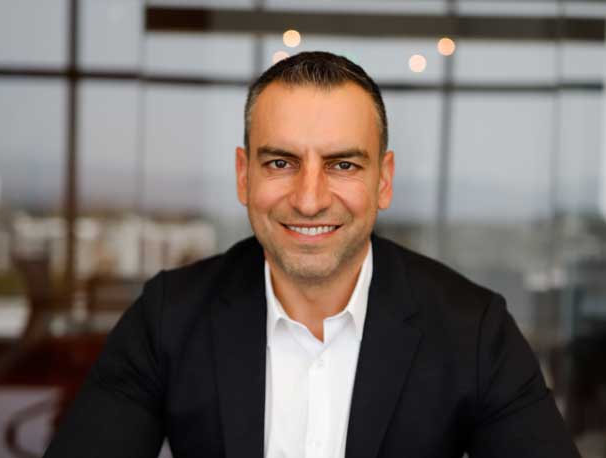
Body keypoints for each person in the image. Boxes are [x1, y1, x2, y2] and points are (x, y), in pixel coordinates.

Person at [43, 51, 580, 458]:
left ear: (383, 181)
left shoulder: (474, 330)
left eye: (343, 165)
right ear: (243, 175)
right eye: (280, 163)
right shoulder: (168, 317)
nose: (308, 199)